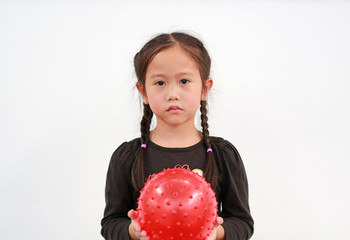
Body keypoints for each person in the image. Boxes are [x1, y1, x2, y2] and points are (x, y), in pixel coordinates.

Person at [101, 32, 254, 240]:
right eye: (160, 83)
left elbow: (243, 222)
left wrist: (216, 232)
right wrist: (133, 231)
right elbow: (110, 223)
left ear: (204, 88)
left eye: (184, 81)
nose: (173, 93)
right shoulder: (127, 157)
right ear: (143, 91)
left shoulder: (222, 155)